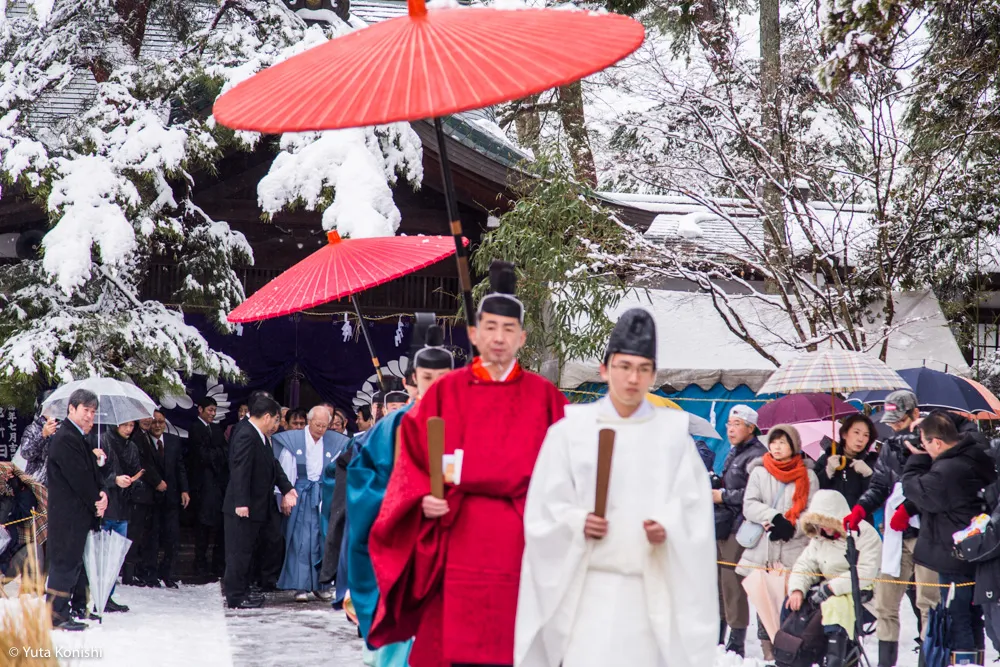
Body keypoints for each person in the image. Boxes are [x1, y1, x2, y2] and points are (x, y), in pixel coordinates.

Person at [369, 261, 568, 667]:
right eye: (490, 327)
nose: (499, 337)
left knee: (517, 644)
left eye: (508, 329)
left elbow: (568, 473)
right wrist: (424, 497)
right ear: (474, 334)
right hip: (455, 533)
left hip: (523, 537)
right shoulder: (446, 392)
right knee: (452, 644)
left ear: (522, 337)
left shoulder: (546, 398)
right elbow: (413, 461)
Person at [515, 309, 717, 667]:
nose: (632, 378)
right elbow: (544, 507)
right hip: (586, 591)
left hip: (648, 592)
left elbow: (693, 509)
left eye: (642, 369)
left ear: (653, 375)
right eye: (624, 366)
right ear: (605, 368)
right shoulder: (570, 432)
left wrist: (668, 527)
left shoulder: (673, 438)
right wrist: (577, 521)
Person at [346, 318, 454, 667]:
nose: (434, 388)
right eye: (426, 380)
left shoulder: (466, 424)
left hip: (453, 555)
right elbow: (363, 491)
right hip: (401, 556)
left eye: (443, 380)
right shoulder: (390, 429)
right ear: (410, 382)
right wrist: (409, 500)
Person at [843, 390, 939, 667]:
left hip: (927, 534)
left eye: (899, 420)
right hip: (896, 536)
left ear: (915, 414)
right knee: (885, 602)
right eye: (891, 420)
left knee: (927, 603)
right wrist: (861, 508)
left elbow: (938, 485)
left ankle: (928, 659)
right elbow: (879, 485)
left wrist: (910, 509)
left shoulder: (932, 440)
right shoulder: (889, 446)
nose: (894, 425)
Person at [902, 411, 996, 658]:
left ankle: (964, 662)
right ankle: (974, 661)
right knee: (973, 617)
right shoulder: (974, 454)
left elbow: (917, 490)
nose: (923, 447)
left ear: (937, 442)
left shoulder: (948, 469)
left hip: (955, 553)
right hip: (976, 550)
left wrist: (916, 460)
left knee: (957, 618)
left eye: (925, 442)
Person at [737, 423, 819, 661]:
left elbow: (812, 512)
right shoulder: (759, 472)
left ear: (793, 446)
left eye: (783, 442)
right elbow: (749, 504)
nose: (777, 446)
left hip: (793, 552)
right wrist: (774, 518)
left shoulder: (808, 475)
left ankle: (788, 653)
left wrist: (791, 527)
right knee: (764, 606)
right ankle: (769, 655)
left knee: (788, 607)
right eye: (773, 441)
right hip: (763, 551)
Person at [785, 490, 882, 667]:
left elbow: (866, 573)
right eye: (819, 523)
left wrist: (830, 589)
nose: (825, 527)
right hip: (826, 593)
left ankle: (834, 660)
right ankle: (790, 654)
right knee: (792, 604)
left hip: (864, 596)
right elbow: (804, 565)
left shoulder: (865, 535)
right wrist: (797, 589)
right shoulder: (819, 537)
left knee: (833, 607)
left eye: (828, 523)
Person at [223, 395, 298, 609]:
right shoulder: (246, 433)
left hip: (257, 506)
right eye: (276, 420)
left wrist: (287, 488)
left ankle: (244, 589)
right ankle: (235, 596)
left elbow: (272, 465)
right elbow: (240, 469)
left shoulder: (261, 435)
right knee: (238, 552)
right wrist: (241, 502)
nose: (276, 425)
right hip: (242, 507)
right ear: (267, 417)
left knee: (248, 551)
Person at [274, 405, 350, 601]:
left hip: (323, 494)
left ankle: (322, 584)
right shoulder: (294, 440)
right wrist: (285, 496)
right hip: (299, 493)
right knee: (299, 540)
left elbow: (337, 471)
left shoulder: (334, 442)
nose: (321, 430)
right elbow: (285, 471)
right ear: (309, 422)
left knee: (322, 538)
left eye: (325, 426)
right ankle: (300, 586)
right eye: (318, 425)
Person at [46, 389, 108, 631]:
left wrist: (101, 494)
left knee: (70, 563)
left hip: (76, 513)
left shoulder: (79, 437)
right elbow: (79, 478)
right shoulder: (66, 438)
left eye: (93, 412)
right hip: (67, 514)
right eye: (86, 410)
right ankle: (56, 615)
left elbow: (89, 473)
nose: (90, 416)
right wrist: (97, 499)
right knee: (63, 564)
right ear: (71, 409)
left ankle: (63, 611)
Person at [715, 404, 767, 656]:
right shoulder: (734, 451)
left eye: (736, 425)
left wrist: (722, 495)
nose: (730, 429)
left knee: (732, 582)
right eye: (728, 425)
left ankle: (736, 639)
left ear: (750, 427)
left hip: (742, 527)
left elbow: (753, 494)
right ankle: (718, 633)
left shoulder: (757, 455)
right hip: (724, 525)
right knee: (719, 581)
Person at [140, 410, 190, 588]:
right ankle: (150, 574)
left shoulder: (173, 441)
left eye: (161, 422)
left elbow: (180, 468)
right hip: (151, 498)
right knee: (151, 539)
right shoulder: (142, 441)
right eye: (154, 422)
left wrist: (185, 490)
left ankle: (167, 573)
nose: (158, 425)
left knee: (172, 538)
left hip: (171, 498)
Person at [99, 420, 142, 612]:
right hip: (105, 506)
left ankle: (108, 596)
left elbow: (136, 472)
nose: (128, 429)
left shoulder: (132, 446)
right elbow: (94, 473)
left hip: (123, 507)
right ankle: (95, 595)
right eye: (125, 425)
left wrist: (134, 481)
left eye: (132, 425)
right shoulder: (102, 441)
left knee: (116, 557)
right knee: (100, 555)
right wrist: (114, 480)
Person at [190, 397, 229, 578]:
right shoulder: (195, 428)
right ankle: (200, 563)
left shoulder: (216, 428)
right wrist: (217, 453)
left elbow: (225, 451)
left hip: (218, 484)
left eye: (215, 410)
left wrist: (216, 453)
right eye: (210, 410)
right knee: (203, 526)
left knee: (218, 525)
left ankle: (216, 564)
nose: (212, 414)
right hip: (202, 485)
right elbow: (201, 455)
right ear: (200, 409)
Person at [815, 414, 879, 507]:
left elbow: (877, 500)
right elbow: (812, 492)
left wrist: (869, 476)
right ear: (845, 434)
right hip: (829, 519)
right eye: (856, 432)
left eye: (866, 435)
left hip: (859, 520)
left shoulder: (872, 463)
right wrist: (827, 472)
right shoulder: (827, 459)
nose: (860, 439)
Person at [124, 417, 155, 586]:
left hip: (142, 493)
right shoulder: (135, 438)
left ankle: (134, 571)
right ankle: (129, 573)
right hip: (135, 493)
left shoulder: (145, 436)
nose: (147, 420)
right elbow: (143, 466)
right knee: (133, 533)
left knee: (138, 533)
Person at [19, 409, 59, 484]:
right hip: (36, 481)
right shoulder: (33, 429)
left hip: (58, 483)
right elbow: (25, 453)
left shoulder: (63, 429)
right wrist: (43, 435)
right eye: (49, 408)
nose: (52, 409)